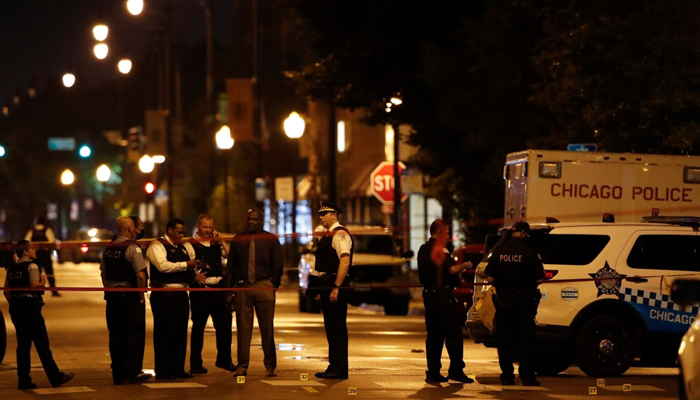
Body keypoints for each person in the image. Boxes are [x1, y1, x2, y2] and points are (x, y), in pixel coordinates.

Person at [3, 240, 74, 390]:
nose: (35, 251)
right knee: (42, 345)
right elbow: (34, 285)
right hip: (30, 309)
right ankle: (55, 377)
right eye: (32, 249)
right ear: (25, 252)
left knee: (22, 346)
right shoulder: (32, 266)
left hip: (17, 309)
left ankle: (24, 380)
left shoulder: (11, 269)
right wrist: (44, 280)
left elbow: (6, 292)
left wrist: (15, 304)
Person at [484, 221, 545, 386]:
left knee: (504, 342)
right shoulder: (530, 252)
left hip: (503, 304)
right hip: (524, 304)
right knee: (525, 341)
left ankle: (506, 376)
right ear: (524, 233)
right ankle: (527, 377)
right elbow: (539, 278)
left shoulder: (499, 251)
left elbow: (490, 278)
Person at [226, 209, 283, 378]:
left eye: (254, 219)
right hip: (243, 287)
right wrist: (229, 291)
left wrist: (273, 285)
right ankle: (242, 366)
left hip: (264, 285)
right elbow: (231, 266)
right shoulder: (239, 239)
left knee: (267, 328)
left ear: (261, 221)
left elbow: (278, 264)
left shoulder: (271, 239)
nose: (251, 222)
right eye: (249, 219)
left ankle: (270, 365)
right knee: (243, 329)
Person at [417, 219, 474, 384]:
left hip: (429, 296)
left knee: (434, 336)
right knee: (454, 333)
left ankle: (433, 372)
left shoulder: (423, 249)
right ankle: (456, 370)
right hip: (443, 297)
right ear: (440, 232)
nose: (448, 236)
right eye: (447, 232)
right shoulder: (440, 249)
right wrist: (466, 264)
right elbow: (452, 269)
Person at [146, 218, 202, 380]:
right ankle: (163, 370)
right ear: (169, 230)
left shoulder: (183, 247)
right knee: (165, 333)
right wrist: (186, 265)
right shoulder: (157, 245)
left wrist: (195, 273)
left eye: (182, 232)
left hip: (181, 294)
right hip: (164, 294)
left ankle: (177, 368)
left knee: (180, 333)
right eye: (178, 232)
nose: (181, 236)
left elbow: (191, 265)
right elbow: (162, 266)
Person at [100, 217, 151, 385]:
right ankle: (132, 372)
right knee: (134, 334)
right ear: (130, 230)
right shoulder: (132, 247)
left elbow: (103, 273)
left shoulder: (108, 248)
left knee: (115, 335)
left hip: (112, 296)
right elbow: (140, 275)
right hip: (128, 296)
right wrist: (141, 296)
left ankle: (118, 374)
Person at [188, 214, 236, 374]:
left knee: (225, 325)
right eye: (205, 227)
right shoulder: (190, 244)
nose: (208, 230)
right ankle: (195, 363)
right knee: (198, 327)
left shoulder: (216, 244)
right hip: (201, 291)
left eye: (210, 227)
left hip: (218, 290)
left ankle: (224, 359)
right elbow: (185, 265)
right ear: (198, 227)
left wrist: (221, 240)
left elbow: (232, 258)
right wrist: (194, 278)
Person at [313, 201, 353, 380]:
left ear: (334, 215)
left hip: (336, 284)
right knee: (331, 327)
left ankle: (339, 367)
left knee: (337, 327)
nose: (321, 217)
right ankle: (334, 365)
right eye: (320, 214)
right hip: (328, 284)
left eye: (325, 214)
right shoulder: (328, 235)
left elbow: (344, 261)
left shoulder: (340, 234)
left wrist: (336, 287)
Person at [25, 217, 59, 297]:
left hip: (35, 255)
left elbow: (26, 240)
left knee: (35, 274)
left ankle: (36, 291)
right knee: (50, 273)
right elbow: (52, 241)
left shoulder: (32, 231)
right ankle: (54, 291)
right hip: (45, 255)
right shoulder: (47, 230)